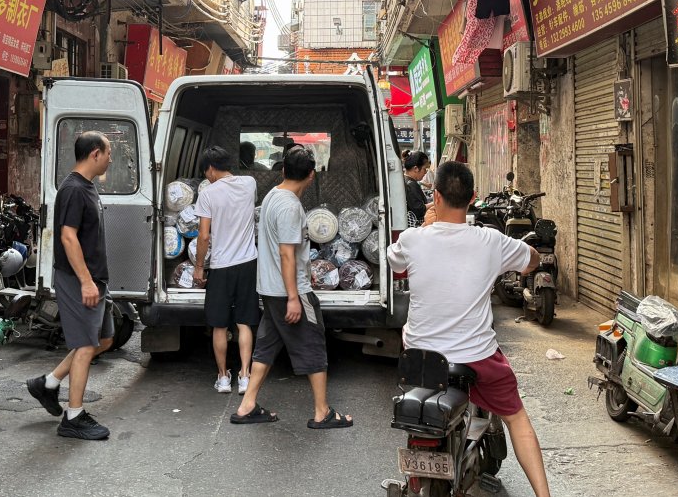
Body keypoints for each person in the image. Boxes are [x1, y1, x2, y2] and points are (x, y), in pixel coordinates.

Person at [387, 161, 552, 496]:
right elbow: (531, 260)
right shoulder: (491, 241)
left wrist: (424, 226)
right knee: (516, 418)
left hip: (420, 359)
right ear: (473, 197)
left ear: (435, 195)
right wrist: (531, 256)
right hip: (476, 358)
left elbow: (395, 266)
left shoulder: (413, 239)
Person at [231, 146, 353, 429]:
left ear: (283, 170)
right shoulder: (290, 207)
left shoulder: (273, 196)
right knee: (313, 345)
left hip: (270, 290)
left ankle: (247, 405)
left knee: (266, 346)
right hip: (288, 292)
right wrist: (294, 298)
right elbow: (287, 254)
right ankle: (322, 412)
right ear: (312, 175)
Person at [26, 131, 115, 441]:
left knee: (102, 340)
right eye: (108, 152)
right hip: (80, 280)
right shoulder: (74, 190)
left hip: (94, 278)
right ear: (94, 154)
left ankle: (48, 383)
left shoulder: (86, 187)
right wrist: (86, 282)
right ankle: (73, 416)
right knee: (86, 345)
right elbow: (67, 236)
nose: (110, 158)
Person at [192, 145, 261, 394]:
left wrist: (199, 267)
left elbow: (203, 235)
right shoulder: (249, 183)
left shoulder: (208, 194)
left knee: (219, 326)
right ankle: (244, 375)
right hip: (247, 263)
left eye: (206, 172)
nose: (206, 176)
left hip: (221, 266)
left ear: (210, 168)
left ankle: (223, 378)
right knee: (244, 323)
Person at [403, 151, 432, 223]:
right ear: (416, 168)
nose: (425, 172)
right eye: (424, 169)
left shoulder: (405, 180)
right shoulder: (411, 184)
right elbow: (419, 210)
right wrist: (435, 203)